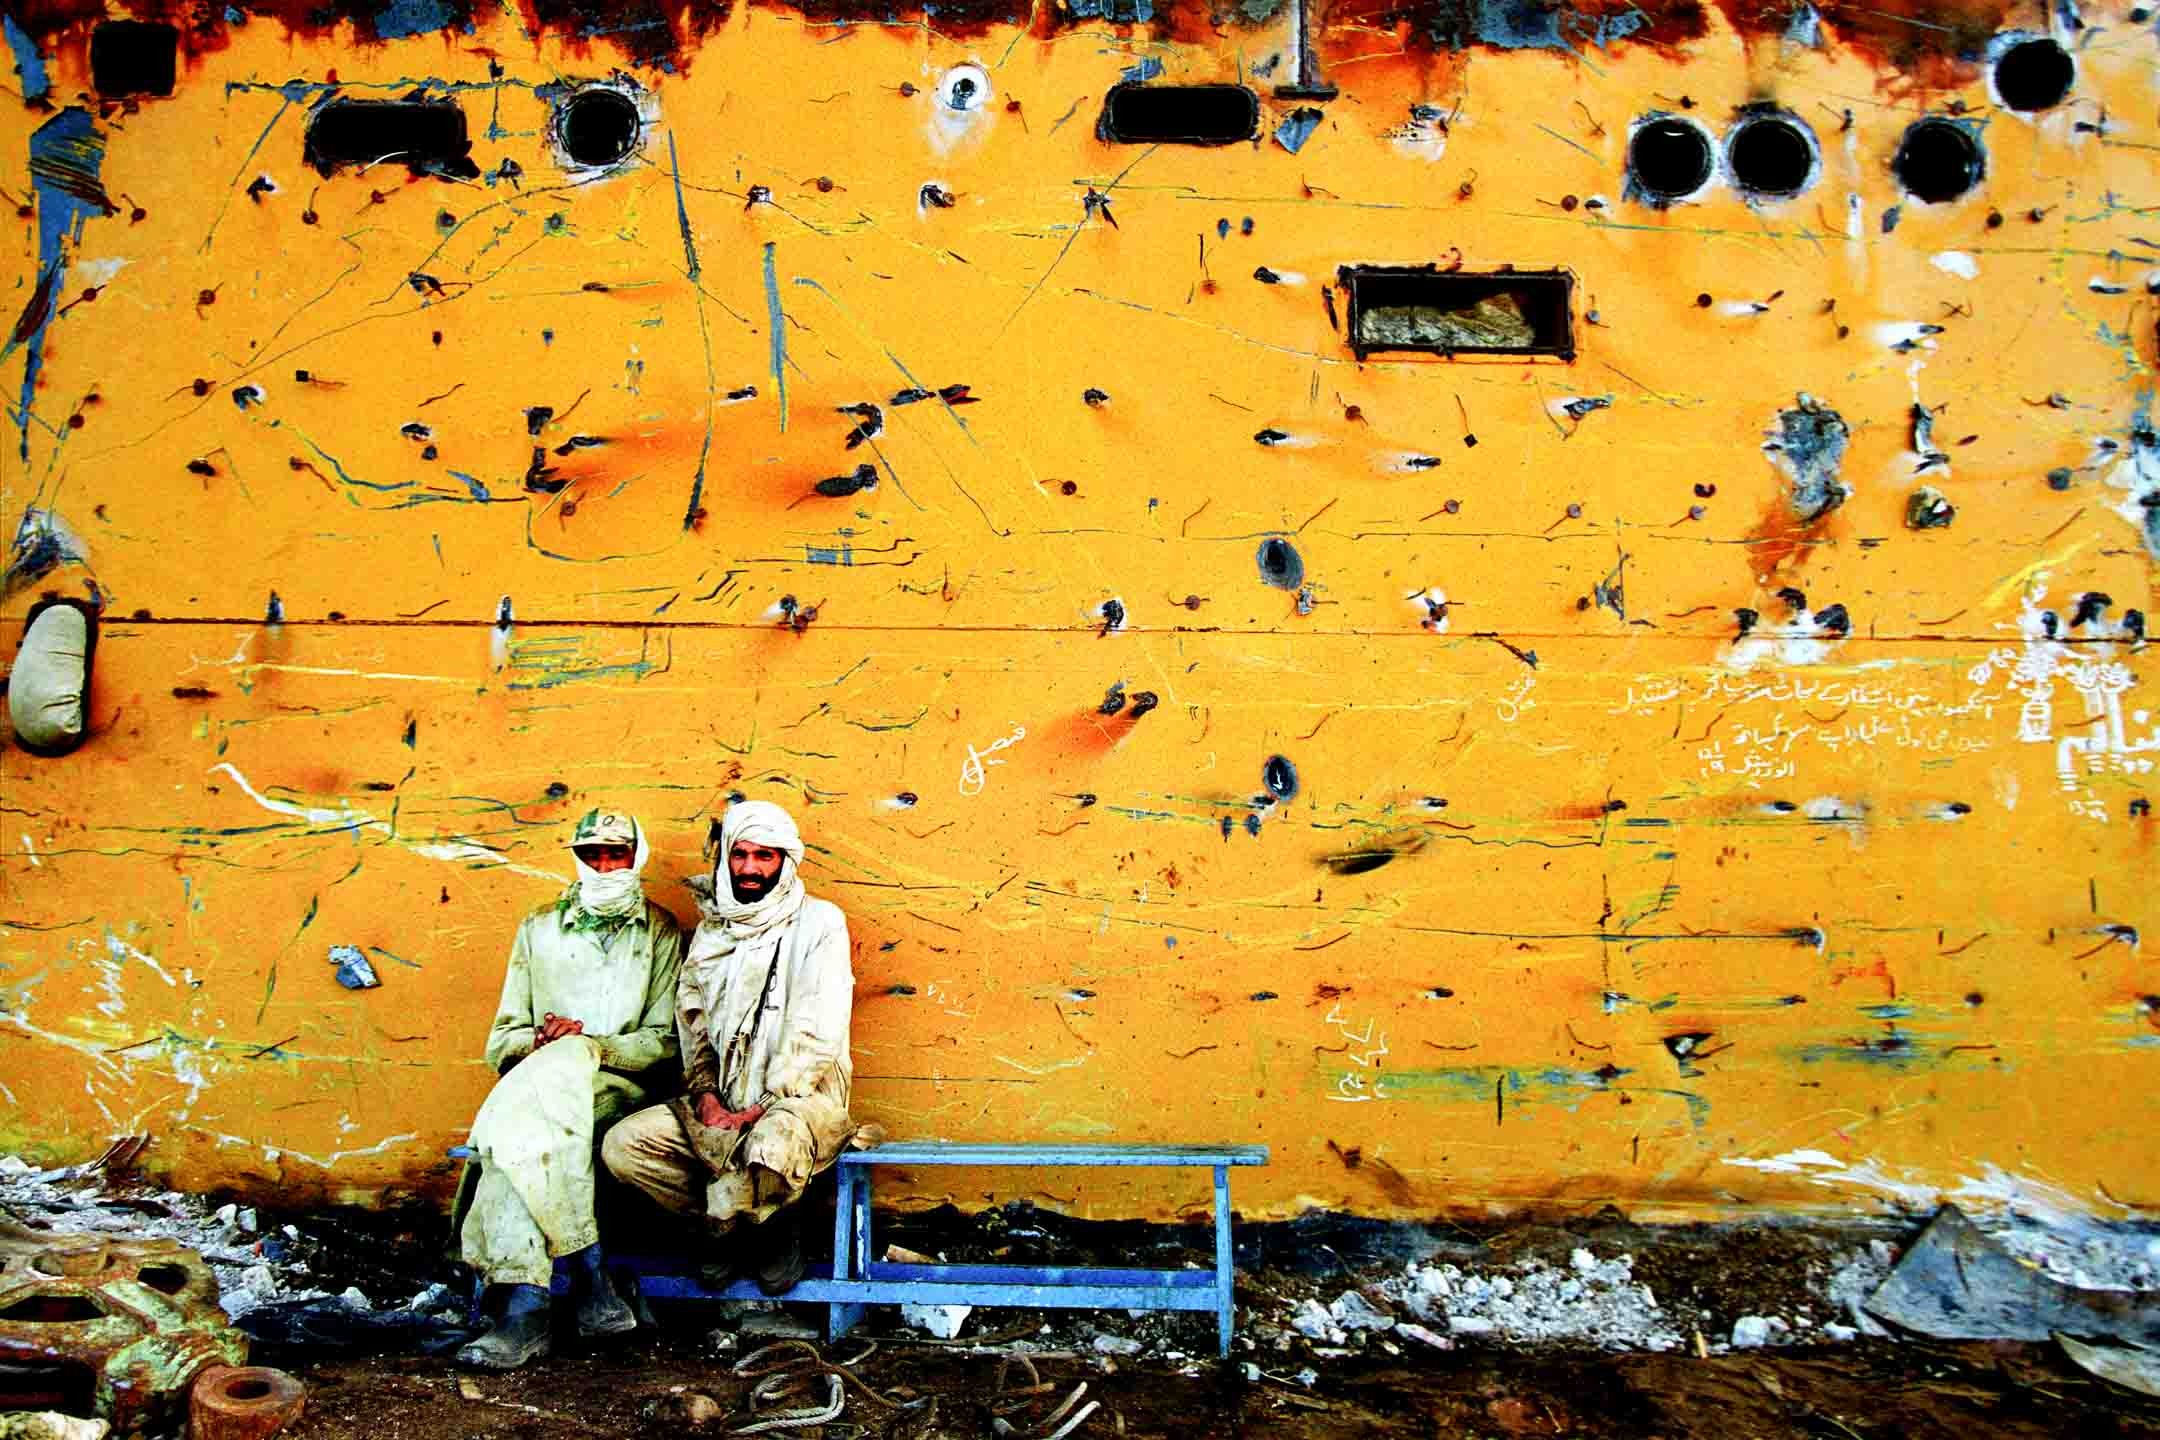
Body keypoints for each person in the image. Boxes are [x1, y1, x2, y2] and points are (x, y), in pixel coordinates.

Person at [601, 799, 867, 1295]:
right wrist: (706, 1097)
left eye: (763, 856)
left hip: (796, 1101)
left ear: (785, 861)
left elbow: (816, 1032)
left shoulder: (820, 924)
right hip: (720, 1106)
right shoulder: (712, 932)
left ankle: (772, 1227)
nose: (749, 868)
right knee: (625, 1147)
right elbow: (694, 1029)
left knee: (770, 1145)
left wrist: (759, 1109)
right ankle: (718, 1219)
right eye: (739, 855)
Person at [454, 808, 685, 1370]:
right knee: (533, 1126)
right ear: (577, 859)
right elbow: (500, 1042)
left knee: (519, 1131)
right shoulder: (538, 928)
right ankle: (583, 1273)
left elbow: (664, 1042)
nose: (605, 865)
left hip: (614, 1090)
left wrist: (591, 1046)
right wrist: (540, 1042)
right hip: (537, 1083)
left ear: (639, 855)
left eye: (617, 853)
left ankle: (527, 1307)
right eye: (592, 854)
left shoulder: (659, 931)